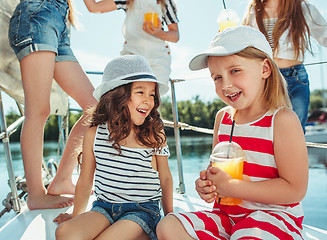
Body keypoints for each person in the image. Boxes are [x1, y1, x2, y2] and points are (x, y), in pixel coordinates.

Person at [157, 26, 309, 239]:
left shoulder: (282, 120)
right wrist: (207, 186)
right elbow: (216, 170)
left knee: (248, 235)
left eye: (235, 71)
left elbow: (295, 190)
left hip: (273, 217)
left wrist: (234, 187)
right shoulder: (223, 118)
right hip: (227, 216)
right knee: (168, 226)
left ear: (265, 69)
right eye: (217, 77)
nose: (226, 84)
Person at [54, 55, 173, 240]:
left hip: (142, 210)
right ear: (118, 95)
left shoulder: (154, 135)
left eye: (152, 94)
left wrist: (170, 216)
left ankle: (145, 233)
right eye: (140, 92)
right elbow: (85, 181)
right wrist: (76, 217)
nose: (149, 101)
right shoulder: (94, 134)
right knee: (65, 233)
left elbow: (165, 177)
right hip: (104, 208)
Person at [7, 0, 98, 209]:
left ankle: (61, 180)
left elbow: (95, 6)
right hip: (37, 16)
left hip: (59, 21)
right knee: (38, 111)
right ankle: (36, 194)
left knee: (96, 109)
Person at [242, 0, 327, 132]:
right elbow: (242, 43)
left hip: (296, 78)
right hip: (266, 79)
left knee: (296, 131)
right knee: (266, 131)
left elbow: (324, 34)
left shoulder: (303, 8)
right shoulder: (253, 11)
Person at [83, 0, 179, 87]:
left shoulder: (166, 2)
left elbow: (175, 35)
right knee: (127, 94)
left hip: (158, 58)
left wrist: (158, 33)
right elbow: (94, 7)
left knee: (154, 97)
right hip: (132, 54)